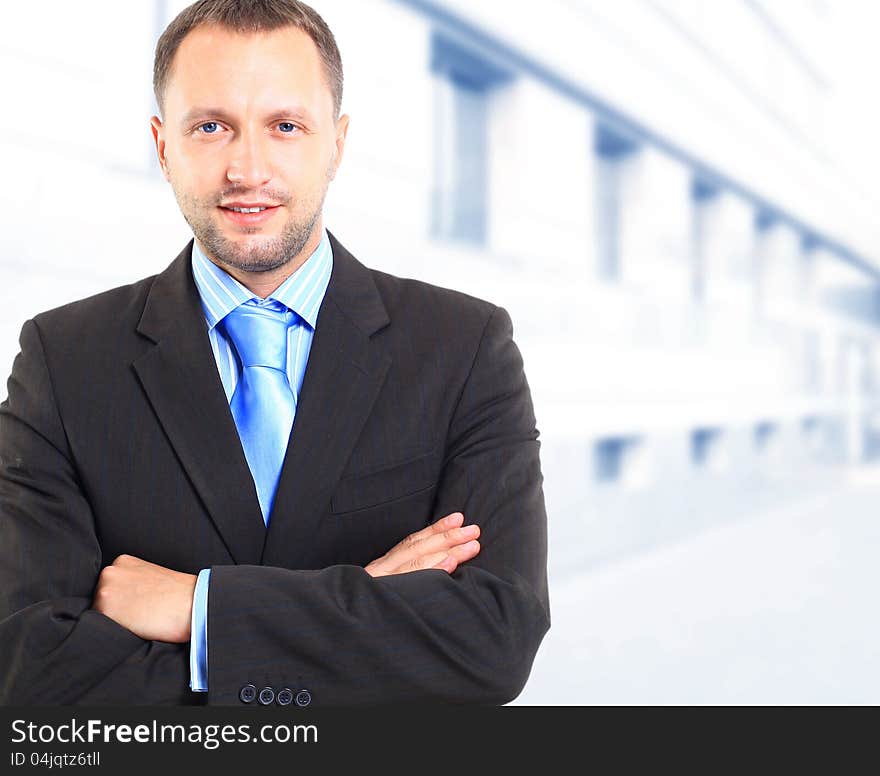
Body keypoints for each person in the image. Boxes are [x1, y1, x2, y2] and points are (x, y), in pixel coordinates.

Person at [0, 0, 549, 706]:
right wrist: (371, 602)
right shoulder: (63, 360)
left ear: (338, 144)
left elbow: (492, 643)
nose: (247, 168)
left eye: (285, 127)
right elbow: (29, 669)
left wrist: (200, 612)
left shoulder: (466, 347)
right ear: (164, 146)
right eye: (211, 127)